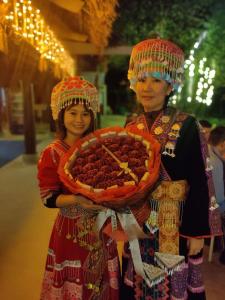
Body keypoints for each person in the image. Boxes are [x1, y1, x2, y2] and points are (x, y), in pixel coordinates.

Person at [121, 38, 222, 299]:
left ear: (169, 85)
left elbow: (201, 182)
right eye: (142, 79)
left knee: (169, 287)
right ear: (134, 83)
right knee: (139, 285)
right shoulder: (130, 128)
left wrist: (197, 233)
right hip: (139, 221)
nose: (147, 87)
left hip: (173, 223)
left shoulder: (188, 125)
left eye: (156, 80)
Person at [37, 76, 120, 300]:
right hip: (70, 232)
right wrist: (76, 200)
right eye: (72, 113)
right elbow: (47, 197)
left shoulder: (99, 147)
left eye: (85, 113)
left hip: (101, 227)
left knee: (99, 281)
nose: (79, 119)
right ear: (60, 115)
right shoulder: (52, 152)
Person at [208, 126, 225, 264]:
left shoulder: (205, 151)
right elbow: (218, 198)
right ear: (223, 144)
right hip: (210, 205)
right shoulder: (216, 162)